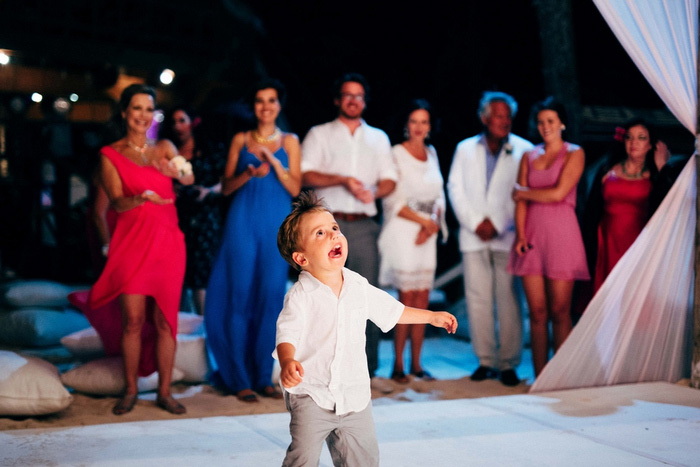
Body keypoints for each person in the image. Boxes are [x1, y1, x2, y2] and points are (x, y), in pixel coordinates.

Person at [274, 192, 457, 466]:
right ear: (301, 258)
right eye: (320, 234)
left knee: (364, 460)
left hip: (354, 397)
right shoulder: (300, 295)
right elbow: (287, 333)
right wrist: (288, 361)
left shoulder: (358, 285)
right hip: (312, 394)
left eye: (335, 228)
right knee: (303, 458)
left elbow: (393, 311)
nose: (334, 236)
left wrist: (430, 316)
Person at [69, 84, 194, 415]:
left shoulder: (164, 146)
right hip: (132, 244)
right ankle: (130, 390)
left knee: (167, 321)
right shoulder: (110, 154)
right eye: (136, 108)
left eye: (148, 108)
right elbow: (116, 203)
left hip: (168, 244)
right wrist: (139, 198)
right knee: (133, 321)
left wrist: (176, 170)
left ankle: (165, 392)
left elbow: (187, 175)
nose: (143, 115)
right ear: (125, 113)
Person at [205, 78, 301, 403]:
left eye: (271, 100)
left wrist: (272, 163)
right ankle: (239, 378)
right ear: (254, 106)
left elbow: (294, 188)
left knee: (273, 298)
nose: (266, 106)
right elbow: (226, 188)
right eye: (260, 100)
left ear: (279, 105)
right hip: (243, 221)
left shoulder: (290, 142)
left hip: (276, 225)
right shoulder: (240, 139)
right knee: (240, 296)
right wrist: (248, 173)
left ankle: (263, 376)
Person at [301, 72, 398, 393]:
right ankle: (323, 371)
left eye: (358, 95)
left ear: (365, 101)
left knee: (366, 298)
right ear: (337, 100)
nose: (353, 100)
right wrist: (342, 179)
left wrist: (373, 188)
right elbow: (305, 173)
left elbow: (389, 180)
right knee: (325, 300)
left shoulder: (379, 138)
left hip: (364, 227)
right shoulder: (320, 133)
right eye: (347, 95)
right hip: (326, 227)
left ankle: (366, 371)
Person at [447, 91, 533, 386]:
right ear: (484, 118)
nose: (504, 121)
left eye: (508, 116)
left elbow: (523, 191)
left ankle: (508, 363)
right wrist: (474, 222)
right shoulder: (465, 148)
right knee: (478, 299)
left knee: (509, 300)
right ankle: (485, 360)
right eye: (498, 115)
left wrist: (498, 223)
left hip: (506, 234)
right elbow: (454, 188)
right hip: (473, 236)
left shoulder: (524, 149)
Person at [507, 97, 589, 377]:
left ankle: (561, 377)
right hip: (531, 234)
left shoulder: (574, 153)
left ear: (562, 123)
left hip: (563, 235)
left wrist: (523, 191)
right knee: (538, 312)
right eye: (541, 122)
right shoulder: (528, 155)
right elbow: (520, 202)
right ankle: (540, 376)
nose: (545, 127)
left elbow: (557, 193)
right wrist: (519, 234)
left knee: (560, 310)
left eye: (551, 121)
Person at [378, 99, 447, 383]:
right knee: (406, 299)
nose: (419, 127)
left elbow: (440, 194)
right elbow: (394, 200)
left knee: (423, 298)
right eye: (414, 121)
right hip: (405, 231)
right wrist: (423, 222)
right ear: (406, 125)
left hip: (427, 233)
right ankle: (397, 365)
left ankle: (417, 364)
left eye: (424, 121)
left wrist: (433, 225)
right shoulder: (396, 153)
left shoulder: (432, 153)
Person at [578, 119, 670, 294]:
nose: (634, 142)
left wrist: (662, 168)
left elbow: (665, 210)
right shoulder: (607, 170)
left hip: (639, 246)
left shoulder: (656, 176)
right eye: (629, 137)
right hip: (606, 241)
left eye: (641, 138)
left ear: (651, 145)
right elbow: (591, 211)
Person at [160, 107, 226, 315]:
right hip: (178, 216)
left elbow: (226, 182)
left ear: (193, 122)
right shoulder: (168, 152)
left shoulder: (210, 150)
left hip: (205, 216)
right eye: (174, 122)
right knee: (176, 274)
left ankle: (204, 332)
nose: (177, 126)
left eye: (182, 120)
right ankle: (179, 330)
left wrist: (208, 191)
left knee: (201, 275)